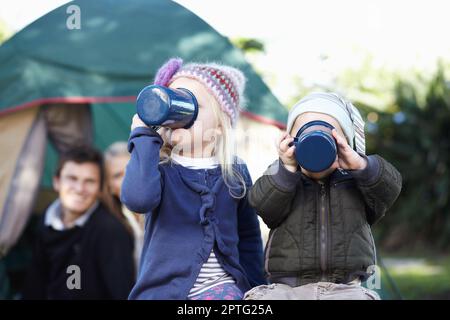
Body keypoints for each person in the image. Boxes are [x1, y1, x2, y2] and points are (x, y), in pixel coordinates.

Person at [121, 58, 265, 300]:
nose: (179, 112)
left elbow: (248, 236)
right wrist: (144, 135)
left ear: (220, 126)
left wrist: (255, 287)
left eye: (191, 103)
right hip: (163, 292)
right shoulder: (159, 167)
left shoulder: (235, 172)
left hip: (223, 289)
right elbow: (138, 199)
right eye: (174, 99)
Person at [245, 92, 402, 300]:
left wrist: (360, 164)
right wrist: (286, 170)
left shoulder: (357, 181)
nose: (316, 140)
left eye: (329, 134)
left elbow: (390, 188)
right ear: (291, 141)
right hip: (288, 288)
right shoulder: (283, 176)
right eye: (305, 132)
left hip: (345, 288)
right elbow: (261, 204)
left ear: (345, 142)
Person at [22, 146, 135, 299]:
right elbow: (36, 282)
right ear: (57, 182)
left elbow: (122, 292)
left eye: (89, 181)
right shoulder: (48, 219)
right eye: (72, 178)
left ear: (100, 189)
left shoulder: (110, 230)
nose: (79, 188)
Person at [104, 141, 144, 272]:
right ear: (108, 187)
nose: (127, 179)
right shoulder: (108, 225)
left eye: (130, 169)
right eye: (117, 175)